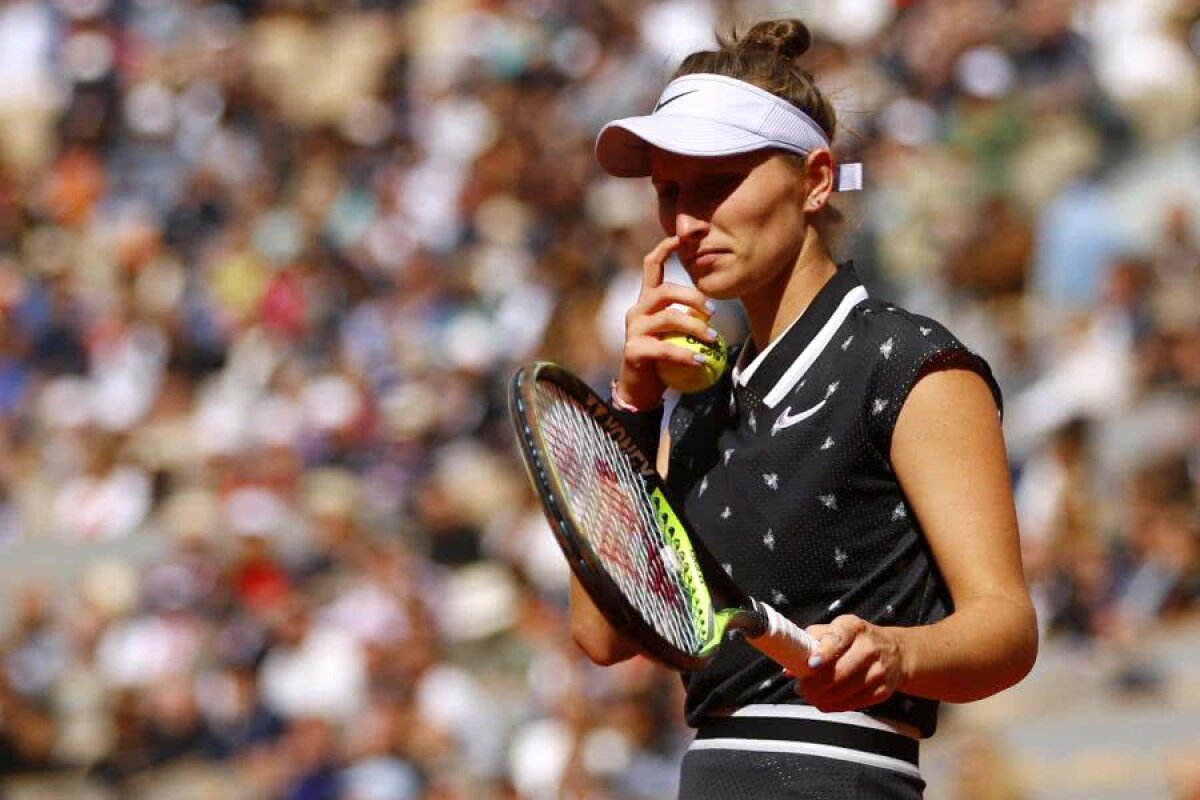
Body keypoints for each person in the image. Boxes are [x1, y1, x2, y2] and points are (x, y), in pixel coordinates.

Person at [570, 18, 1039, 799]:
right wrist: (632, 407)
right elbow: (603, 634)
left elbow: (1007, 628)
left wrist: (894, 654)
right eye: (671, 192)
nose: (688, 224)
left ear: (816, 180)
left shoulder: (907, 362)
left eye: (719, 184)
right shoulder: (691, 407)